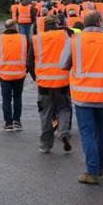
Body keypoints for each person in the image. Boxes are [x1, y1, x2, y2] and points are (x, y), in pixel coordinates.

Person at [61, 10, 103, 185]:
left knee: (87, 133)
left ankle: (92, 170)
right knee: (101, 132)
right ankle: (101, 164)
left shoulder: (74, 41)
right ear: (99, 22)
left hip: (83, 95)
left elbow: (62, 64)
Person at [27, 15, 73, 154]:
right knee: (64, 109)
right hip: (63, 82)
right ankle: (64, 131)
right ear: (57, 24)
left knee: (45, 114)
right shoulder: (66, 37)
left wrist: (37, 78)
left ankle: (46, 145)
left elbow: (29, 62)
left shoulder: (36, 39)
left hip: (44, 84)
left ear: (43, 26)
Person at [0, 19, 28, 131]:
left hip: (4, 75)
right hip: (20, 74)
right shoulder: (23, 39)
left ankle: (8, 123)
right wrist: (26, 70)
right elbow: (29, 57)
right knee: (17, 97)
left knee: (6, 99)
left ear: (5, 27)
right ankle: (17, 121)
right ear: (15, 27)